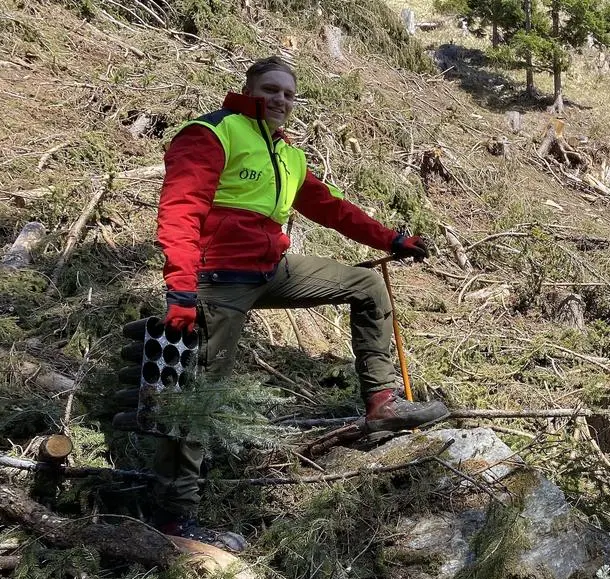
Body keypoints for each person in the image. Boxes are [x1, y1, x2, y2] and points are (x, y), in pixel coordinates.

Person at [152, 56, 448, 551]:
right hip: (217, 280)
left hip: (271, 270)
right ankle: (172, 518)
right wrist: (181, 289)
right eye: (271, 89)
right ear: (249, 89)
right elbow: (179, 211)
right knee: (199, 393)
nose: (280, 100)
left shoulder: (287, 154)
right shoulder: (211, 134)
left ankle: (382, 403)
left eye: (289, 93)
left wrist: (390, 240)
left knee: (366, 286)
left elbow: (329, 207)